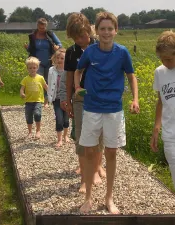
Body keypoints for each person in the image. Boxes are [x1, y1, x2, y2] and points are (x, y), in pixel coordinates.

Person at [74, 12, 139, 214]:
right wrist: (77, 88)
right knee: (89, 151)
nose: (106, 32)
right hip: (91, 108)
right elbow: (78, 71)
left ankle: (109, 198)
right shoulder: (90, 52)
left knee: (111, 152)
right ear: (97, 30)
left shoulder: (122, 52)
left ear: (116, 30)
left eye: (110, 28)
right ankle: (88, 198)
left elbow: (131, 76)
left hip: (114, 110)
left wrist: (135, 99)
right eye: (102, 28)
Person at [58, 13, 105, 193]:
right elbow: (69, 77)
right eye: (76, 37)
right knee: (82, 136)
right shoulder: (71, 52)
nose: (80, 40)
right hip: (80, 97)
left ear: (89, 29)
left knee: (98, 134)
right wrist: (67, 99)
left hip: (99, 97)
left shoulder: (100, 46)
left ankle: (97, 167)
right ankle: (86, 174)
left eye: (83, 35)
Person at [150, 31, 175, 225]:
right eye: (162, 59)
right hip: (171, 136)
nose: (165, 63)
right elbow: (161, 101)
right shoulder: (160, 72)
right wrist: (156, 129)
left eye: (169, 59)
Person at [24, 18, 62, 108]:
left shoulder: (50, 34)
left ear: (46, 26)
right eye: (40, 28)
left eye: (44, 28)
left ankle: (46, 100)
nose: (42, 30)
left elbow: (59, 44)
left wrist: (57, 48)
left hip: (49, 61)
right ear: (37, 26)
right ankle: (38, 100)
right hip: (37, 63)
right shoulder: (33, 36)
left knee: (48, 80)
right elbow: (31, 48)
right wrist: (27, 48)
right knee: (39, 81)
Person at [20, 56, 48, 139]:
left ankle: (38, 131)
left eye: (34, 68)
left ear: (37, 68)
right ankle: (29, 132)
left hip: (38, 100)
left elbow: (46, 87)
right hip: (28, 101)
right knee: (28, 116)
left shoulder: (40, 78)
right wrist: (22, 93)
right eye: (30, 68)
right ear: (27, 69)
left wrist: (52, 92)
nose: (32, 69)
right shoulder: (25, 79)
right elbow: (22, 89)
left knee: (37, 114)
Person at [47, 48, 69, 147]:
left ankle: (65, 135)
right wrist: (49, 97)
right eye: (58, 58)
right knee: (59, 119)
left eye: (62, 58)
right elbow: (50, 84)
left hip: (67, 99)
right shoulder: (51, 70)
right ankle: (59, 139)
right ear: (55, 59)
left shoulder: (69, 70)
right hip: (56, 99)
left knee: (66, 119)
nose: (60, 60)